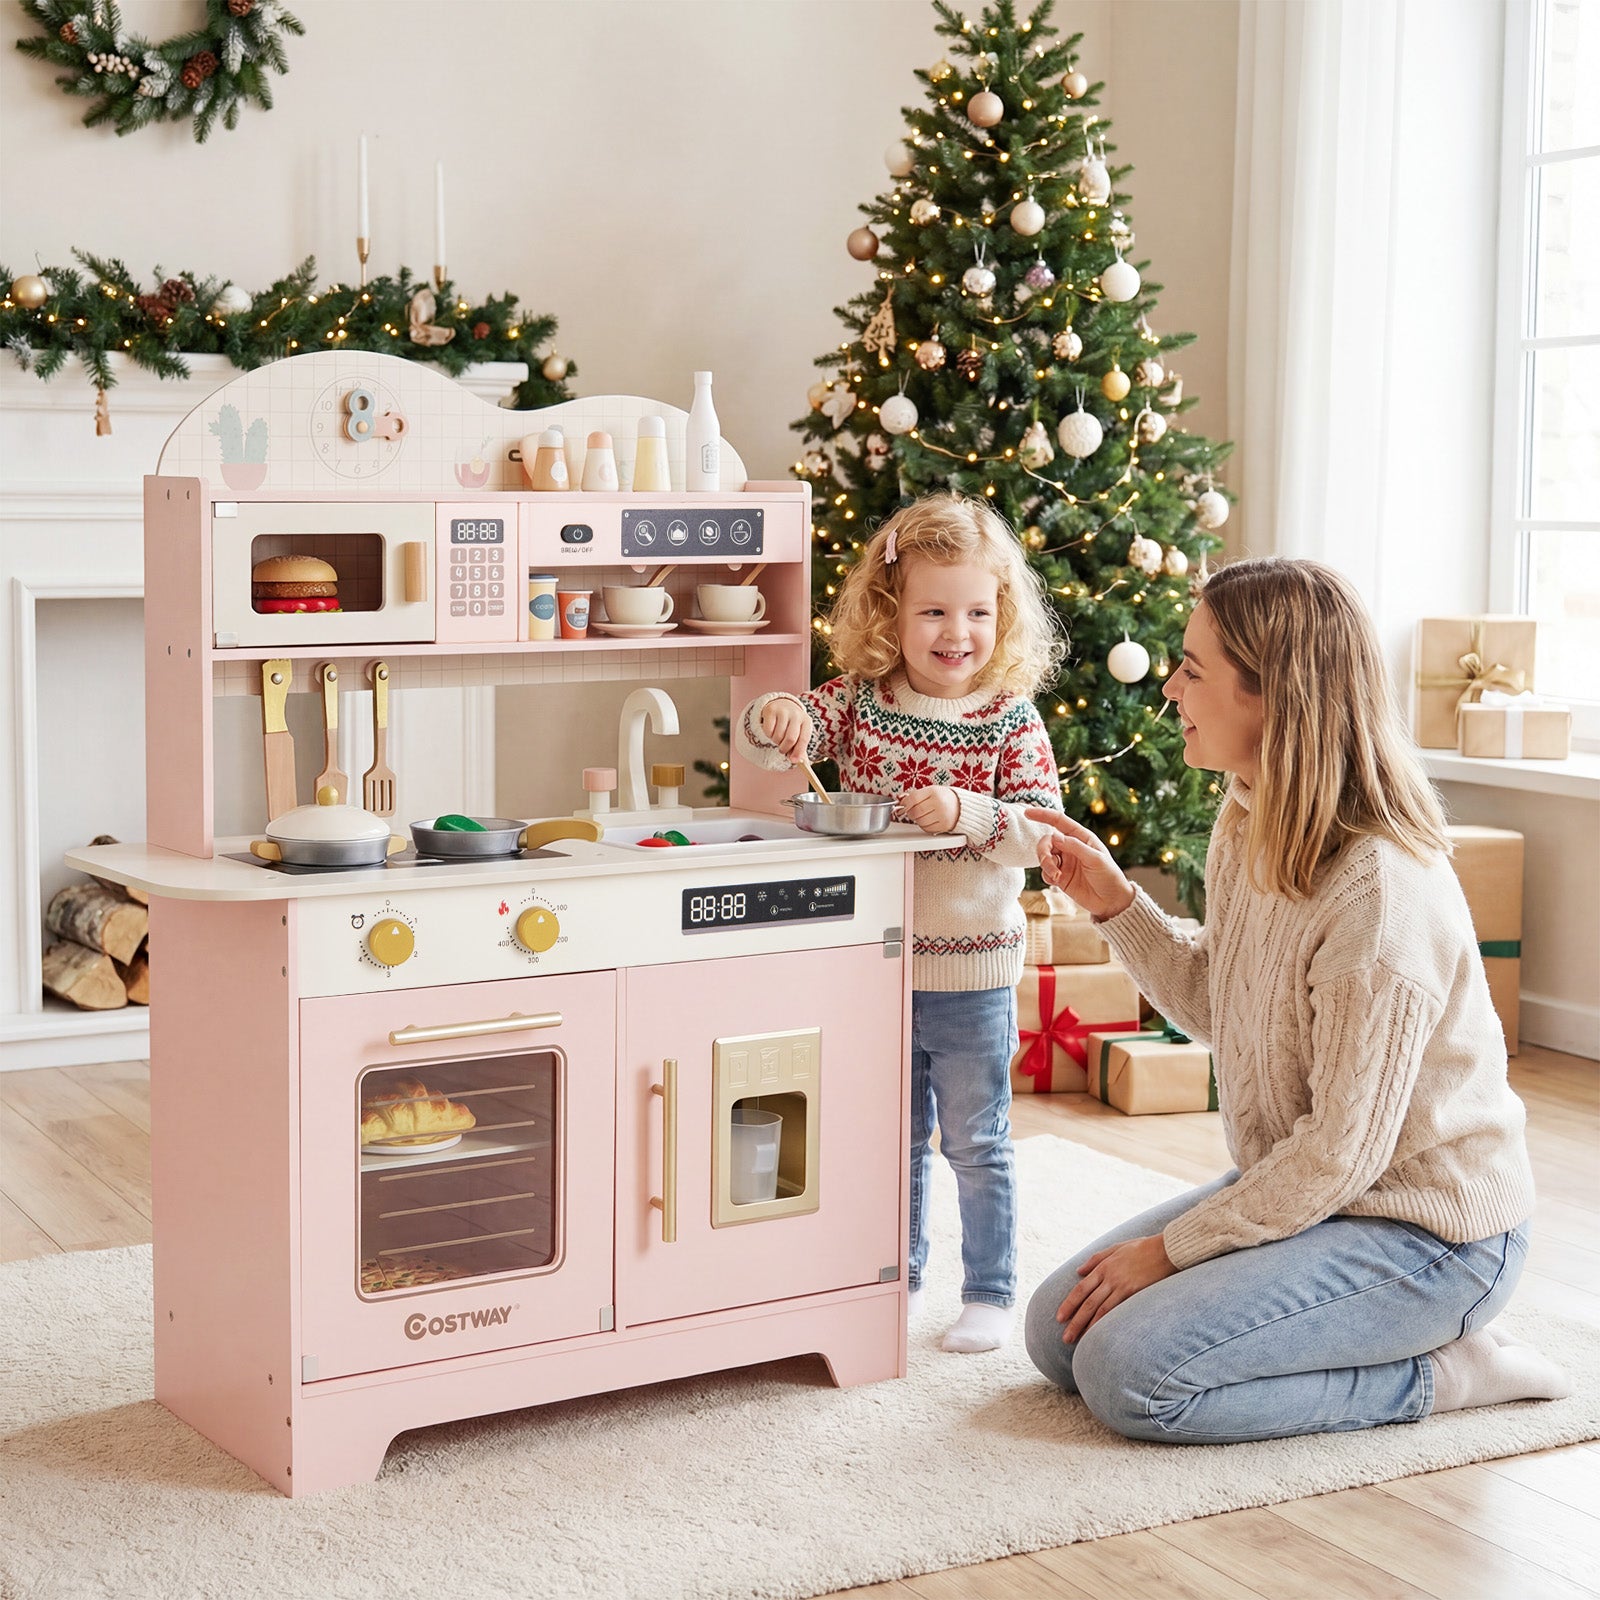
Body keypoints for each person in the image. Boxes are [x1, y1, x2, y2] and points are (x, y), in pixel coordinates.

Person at [1023, 556, 1570, 1441]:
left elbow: (1340, 1155)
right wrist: (1115, 901)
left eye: (1193, 669)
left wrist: (1170, 1253)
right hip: (1313, 1192)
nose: (1170, 687)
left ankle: (1448, 1371)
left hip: (1429, 1237)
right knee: (1060, 1335)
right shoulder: (1250, 816)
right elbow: (1219, 1006)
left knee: (1130, 1379)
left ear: (1272, 697)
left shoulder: (1381, 898)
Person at [735, 492, 1064, 1352]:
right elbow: (791, 733)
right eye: (933, 611)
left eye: (978, 612)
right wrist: (780, 718)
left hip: (971, 970)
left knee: (976, 1139)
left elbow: (1042, 835)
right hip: (874, 967)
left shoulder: (1008, 718)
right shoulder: (867, 700)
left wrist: (963, 810)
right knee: (892, 1135)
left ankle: (989, 1289)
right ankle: (900, 1276)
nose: (957, 632)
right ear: (893, 612)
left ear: (1003, 616)